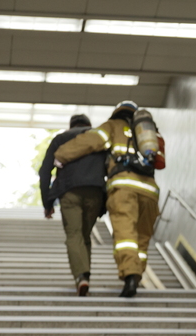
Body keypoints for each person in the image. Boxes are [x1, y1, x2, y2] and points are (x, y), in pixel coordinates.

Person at [54, 101, 165, 298]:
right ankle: (137, 273)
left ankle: (130, 276)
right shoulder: (149, 131)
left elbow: (88, 142)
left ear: (117, 112)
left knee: (126, 235)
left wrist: (61, 154)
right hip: (150, 191)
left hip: (124, 187)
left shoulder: (113, 126)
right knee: (142, 238)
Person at [39, 114, 107, 296]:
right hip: (95, 191)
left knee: (74, 234)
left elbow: (45, 171)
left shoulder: (61, 139)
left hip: (69, 192)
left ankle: (82, 276)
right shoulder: (99, 137)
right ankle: (84, 276)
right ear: (88, 125)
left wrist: (48, 202)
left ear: (71, 126)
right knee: (85, 235)